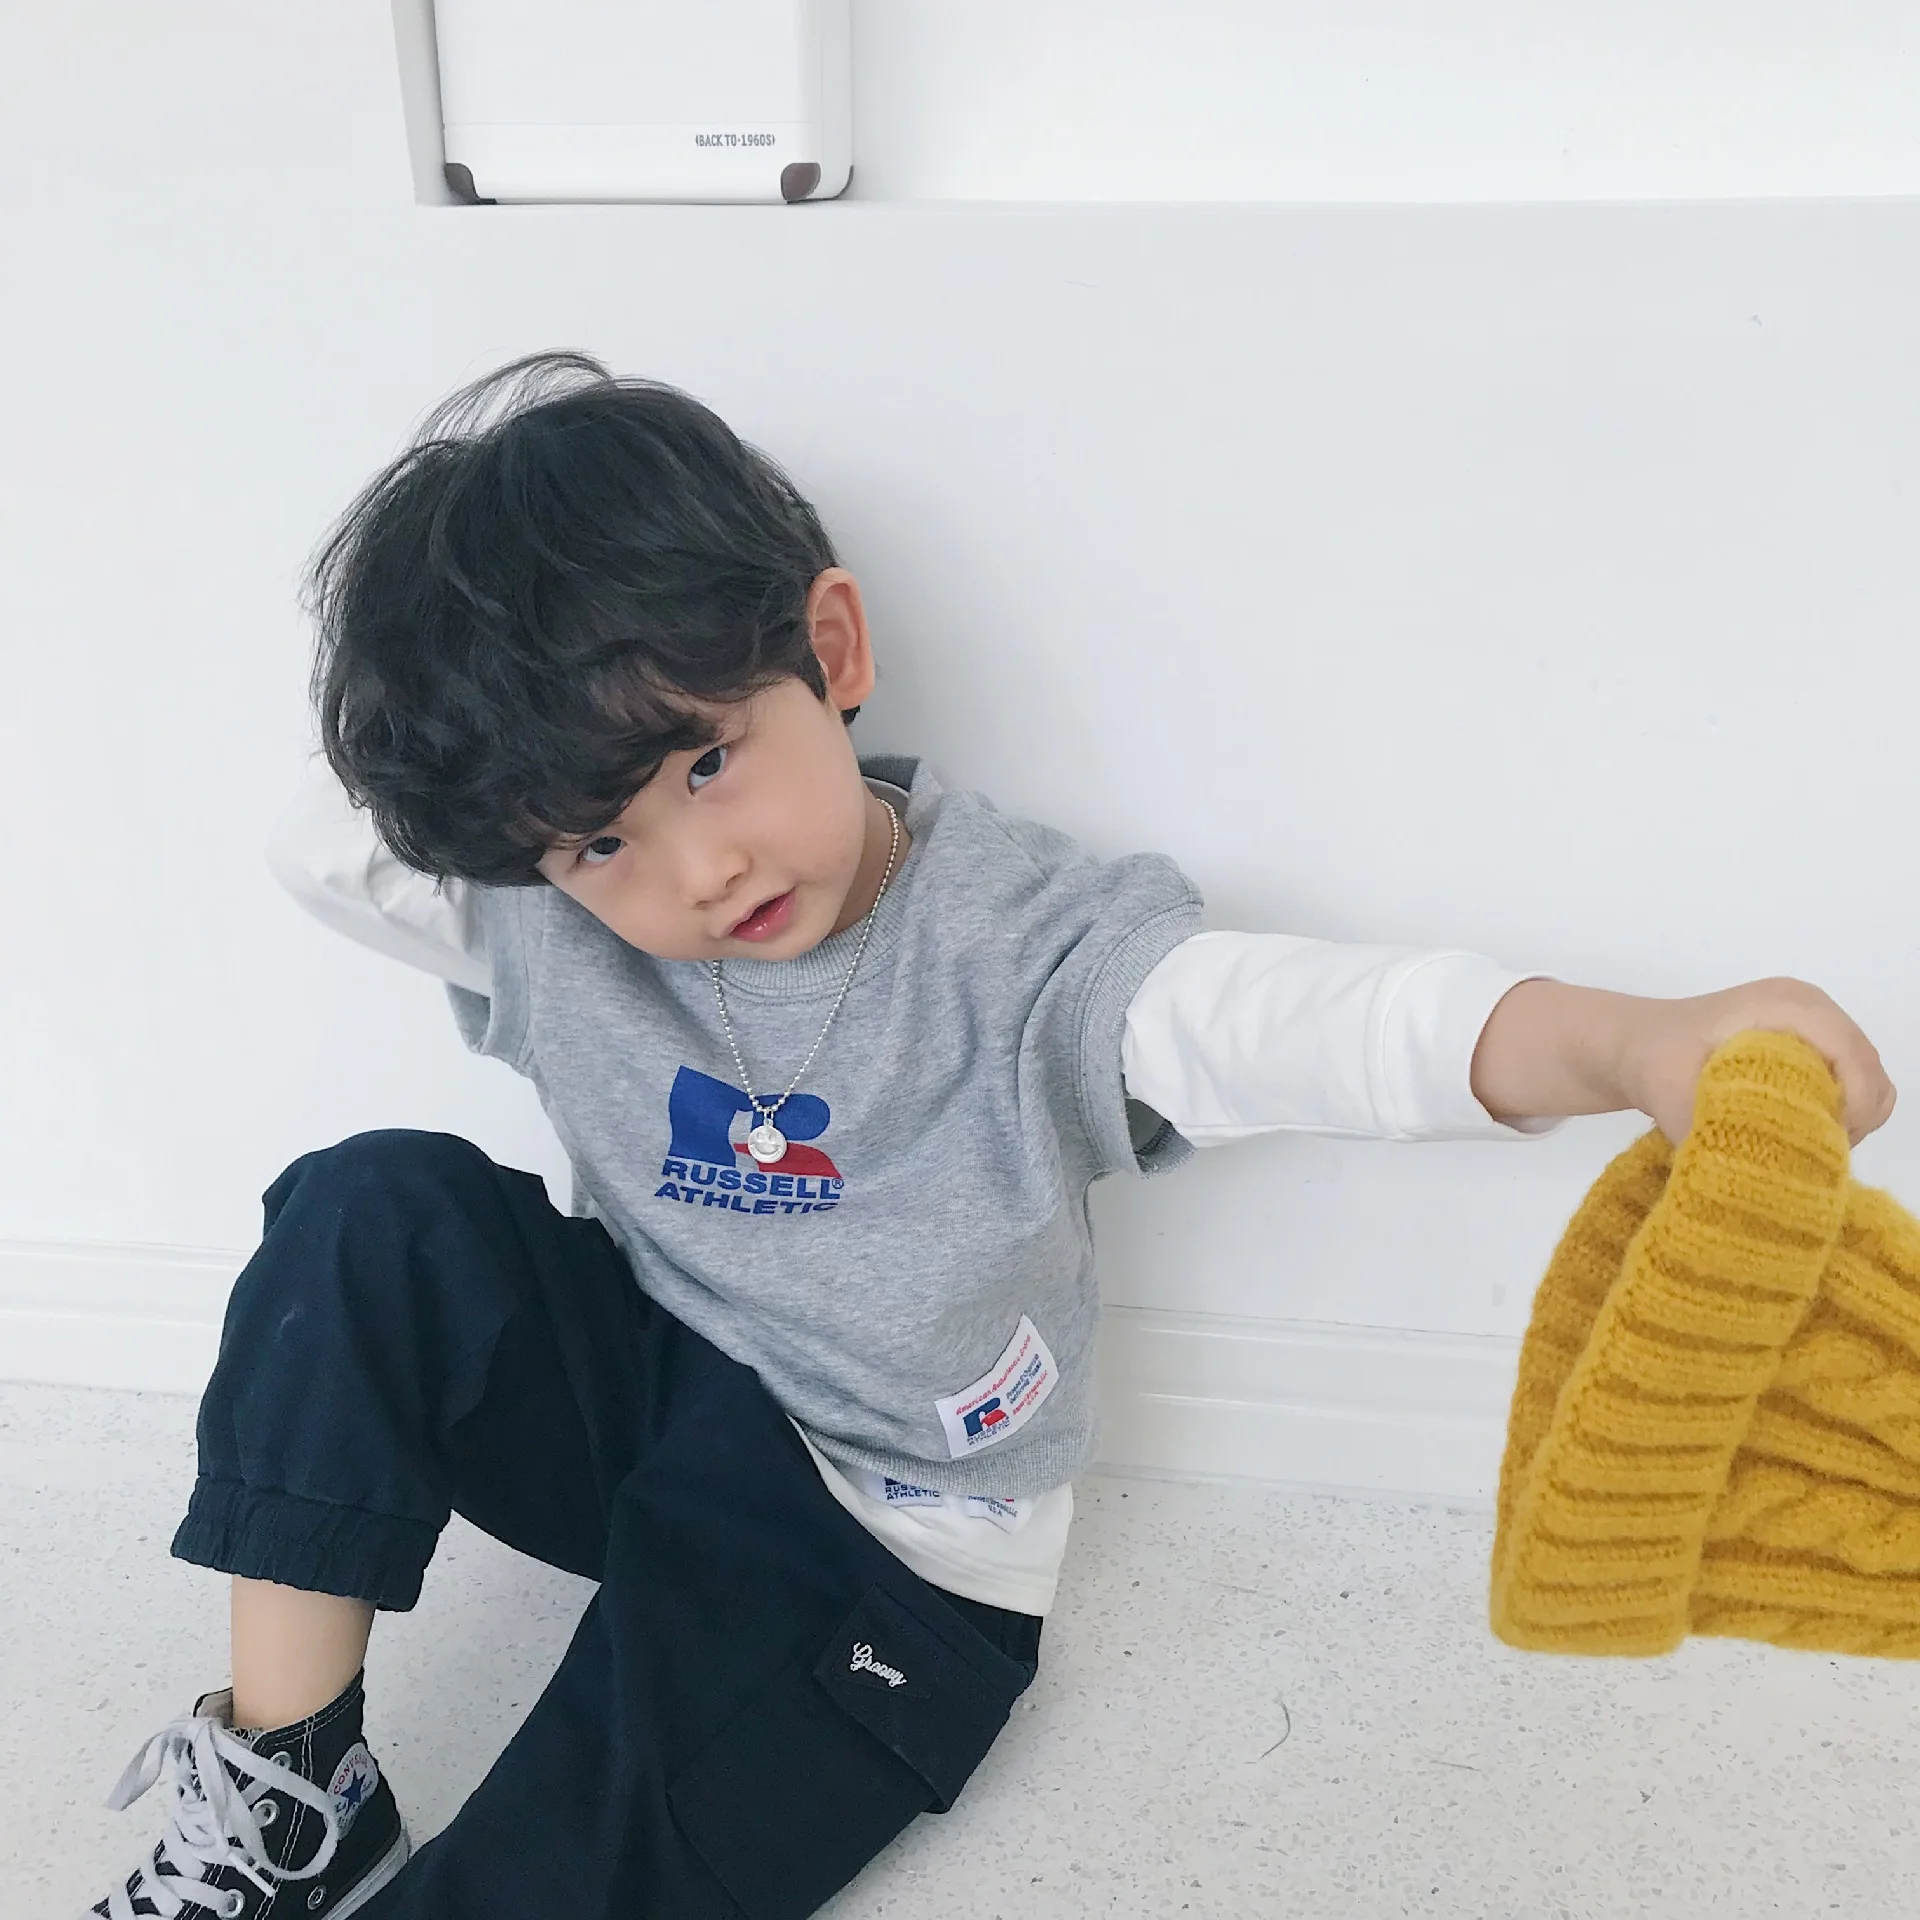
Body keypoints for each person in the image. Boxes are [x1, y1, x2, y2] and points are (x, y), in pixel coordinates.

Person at [85, 351, 1897, 1920]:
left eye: (708, 760)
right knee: (371, 1212)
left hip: (886, 1548)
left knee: (559, 1870)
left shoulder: (1022, 954)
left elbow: (1323, 1025)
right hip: (653, 1406)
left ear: (831, 649)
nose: (696, 869)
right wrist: (504, 735)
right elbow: (326, 840)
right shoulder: (549, 904)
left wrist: (1640, 1040)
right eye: (604, 839)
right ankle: (294, 1794)